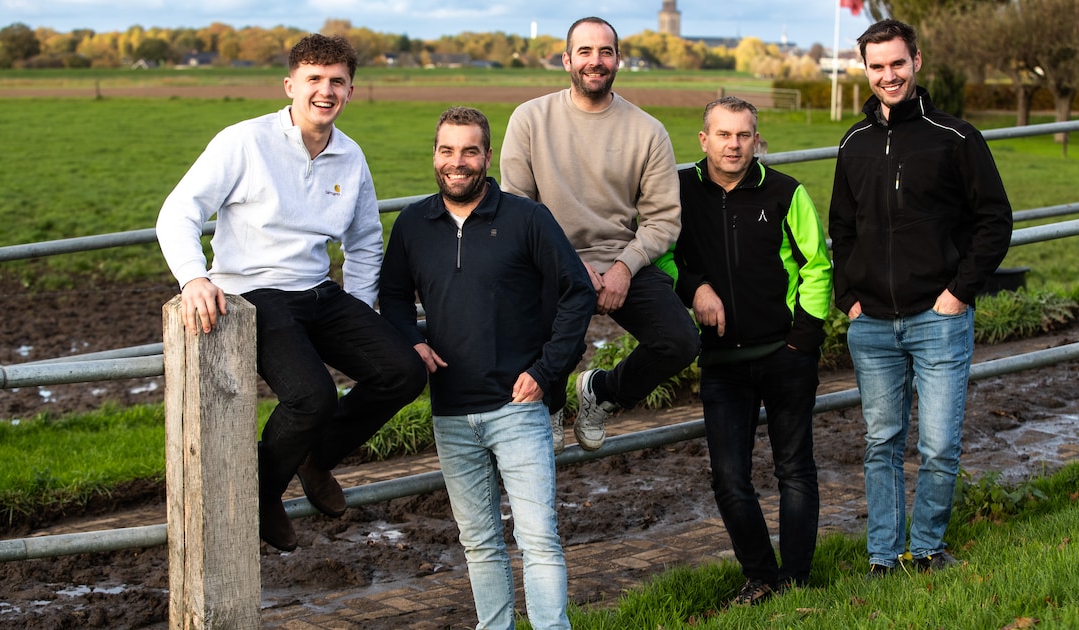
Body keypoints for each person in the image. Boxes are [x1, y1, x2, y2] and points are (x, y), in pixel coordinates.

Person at [156, 34, 427, 553]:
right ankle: (262, 492)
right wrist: (194, 278)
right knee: (312, 396)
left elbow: (367, 238)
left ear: (351, 90)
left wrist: (362, 306)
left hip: (319, 290)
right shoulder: (244, 142)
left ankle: (315, 457)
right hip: (253, 291)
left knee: (402, 372)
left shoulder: (350, 155)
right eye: (314, 80)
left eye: (337, 82)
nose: (325, 91)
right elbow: (178, 212)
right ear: (291, 85)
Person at [379, 107, 595, 629]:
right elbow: (390, 295)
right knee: (478, 542)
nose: (458, 163)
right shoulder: (413, 224)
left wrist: (546, 372)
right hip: (451, 410)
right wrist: (412, 341)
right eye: (447, 150)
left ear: (487, 156)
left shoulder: (526, 218)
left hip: (517, 405)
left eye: (470, 151)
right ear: (435, 155)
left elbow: (578, 292)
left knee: (538, 537)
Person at [828, 19, 1013, 577]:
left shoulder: (956, 137)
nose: (888, 75)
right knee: (880, 443)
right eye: (876, 66)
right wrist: (848, 299)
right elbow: (843, 228)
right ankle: (884, 556)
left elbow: (994, 220)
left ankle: (927, 549)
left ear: (917, 62)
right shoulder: (853, 144)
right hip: (873, 326)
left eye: (897, 63)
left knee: (937, 446)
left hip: (939, 317)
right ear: (864, 69)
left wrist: (958, 293)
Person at [658, 97, 832, 605]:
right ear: (704, 140)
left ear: (757, 140)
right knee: (729, 477)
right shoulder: (680, 193)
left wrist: (803, 342)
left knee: (795, 470)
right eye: (724, 134)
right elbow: (663, 255)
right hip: (722, 365)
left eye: (744, 135)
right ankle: (761, 577)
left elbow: (816, 267)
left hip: (785, 355)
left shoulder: (785, 192)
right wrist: (693, 288)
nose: (734, 145)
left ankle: (797, 579)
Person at [500, 16, 700, 454]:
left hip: (622, 259)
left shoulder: (647, 131)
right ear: (567, 60)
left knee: (680, 341)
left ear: (618, 60)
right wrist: (570, 267)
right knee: (551, 344)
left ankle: (603, 393)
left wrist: (625, 268)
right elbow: (517, 209)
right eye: (585, 52)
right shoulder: (530, 119)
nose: (596, 61)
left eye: (605, 52)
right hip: (551, 261)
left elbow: (664, 218)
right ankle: (548, 407)